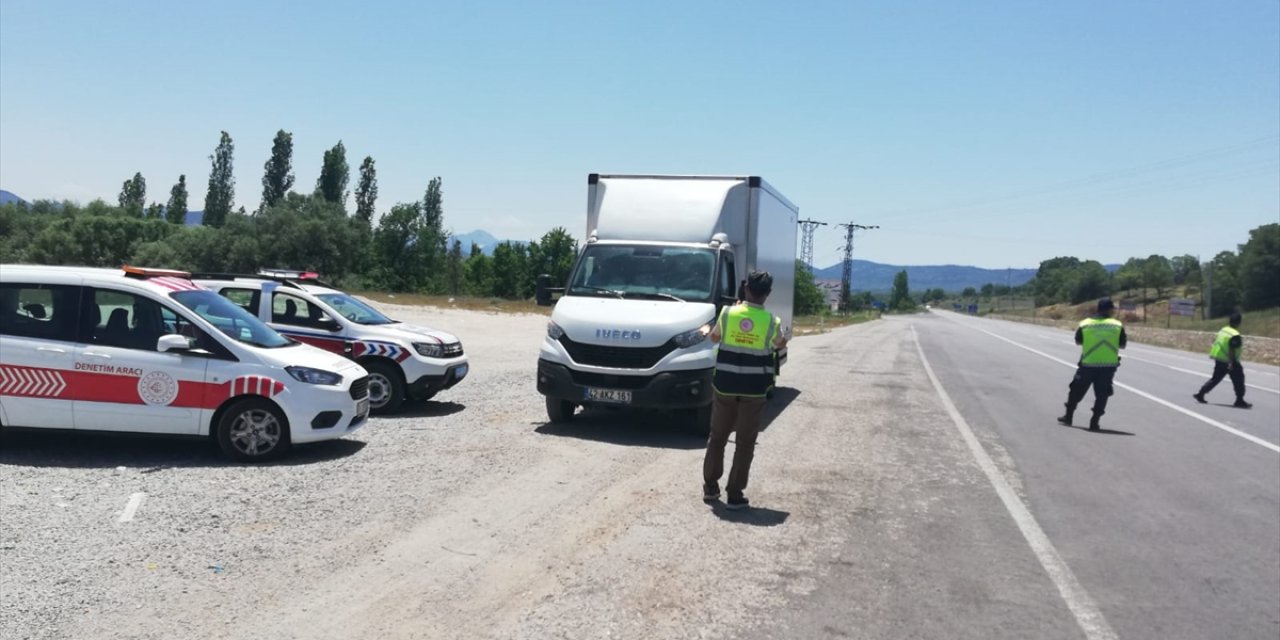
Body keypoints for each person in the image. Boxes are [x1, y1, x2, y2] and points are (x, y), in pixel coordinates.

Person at [702, 270, 787, 510]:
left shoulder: (728, 314)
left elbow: (714, 338)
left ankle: (710, 487)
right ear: (767, 294)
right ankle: (735, 493)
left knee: (717, 437)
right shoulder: (772, 321)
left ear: (746, 288)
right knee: (745, 442)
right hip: (754, 390)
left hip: (725, 386)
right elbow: (779, 344)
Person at [1057, 297, 1127, 431]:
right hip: (1108, 366)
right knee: (1102, 394)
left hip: (1088, 364)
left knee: (1076, 390)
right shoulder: (1117, 325)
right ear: (1110, 310)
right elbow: (1122, 345)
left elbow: (1078, 341)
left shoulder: (1085, 324)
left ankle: (1069, 416)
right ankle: (1094, 422)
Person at [1193, 313, 1251, 409]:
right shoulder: (1235, 334)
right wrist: (1232, 363)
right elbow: (1232, 349)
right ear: (1239, 322)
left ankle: (1201, 393)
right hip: (1230, 360)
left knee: (1215, 379)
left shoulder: (1224, 330)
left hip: (1219, 359)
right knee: (1239, 380)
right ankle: (1239, 400)